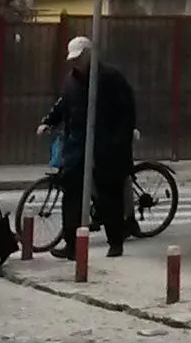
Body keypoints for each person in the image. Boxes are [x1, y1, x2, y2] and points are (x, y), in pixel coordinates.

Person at [39, 35, 139, 258]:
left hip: (106, 147)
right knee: (71, 196)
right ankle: (71, 245)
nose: (75, 63)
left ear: (89, 55)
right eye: (73, 59)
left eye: (79, 58)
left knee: (109, 195)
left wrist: (118, 141)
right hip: (77, 146)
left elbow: (126, 111)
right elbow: (64, 104)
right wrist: (49, 121)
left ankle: (115, 241)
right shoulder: (71, 80)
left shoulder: (111, 77)